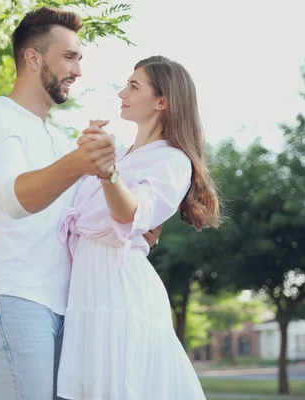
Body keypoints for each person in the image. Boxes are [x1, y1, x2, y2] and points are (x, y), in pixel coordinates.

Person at [0, 7, 123, 400]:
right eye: (69, 57)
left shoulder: (59, 139)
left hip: (61, 302)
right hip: (11, 294)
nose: (79, 70)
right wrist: (79, 162)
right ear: (34, 57)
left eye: (79, 58)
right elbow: (15, 198)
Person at [56, 56, 221, 400]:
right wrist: (88, 156)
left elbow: (131, 214)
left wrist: (107, 172)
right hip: (89, 290)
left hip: (119, 294)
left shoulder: (172, 160)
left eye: (133, 86)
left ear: (162, 101)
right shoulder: (119, 150)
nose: (121, 93)